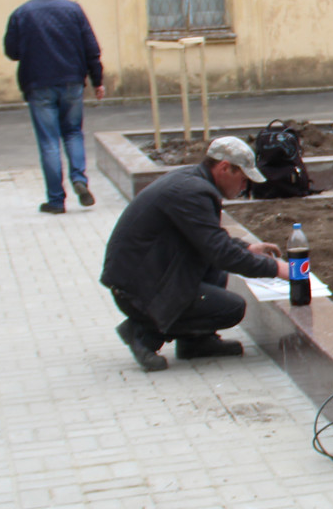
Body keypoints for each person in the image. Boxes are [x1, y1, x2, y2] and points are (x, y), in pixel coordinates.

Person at [100, 136, 290, 372]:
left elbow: (207, 238)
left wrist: (247, 248)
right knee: (231, 308)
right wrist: (278, 269)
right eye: (243, 180)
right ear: (224, 168)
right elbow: (222, 253)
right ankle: (143, 333)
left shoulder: (192, 182)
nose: (244, 188)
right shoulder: (193, 192)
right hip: (136, 290)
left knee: (213, 268)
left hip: (144, 276)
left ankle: (196, 342)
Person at [4, 0, 106, 214]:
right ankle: (79, 179)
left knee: (49, 141)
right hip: (72, 82)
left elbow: (12, 52)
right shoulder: (73, 10)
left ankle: (56, 200)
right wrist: (97, 80)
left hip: (38, 85)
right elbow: (91, 47)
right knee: (73, 133)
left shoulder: (21, 13)